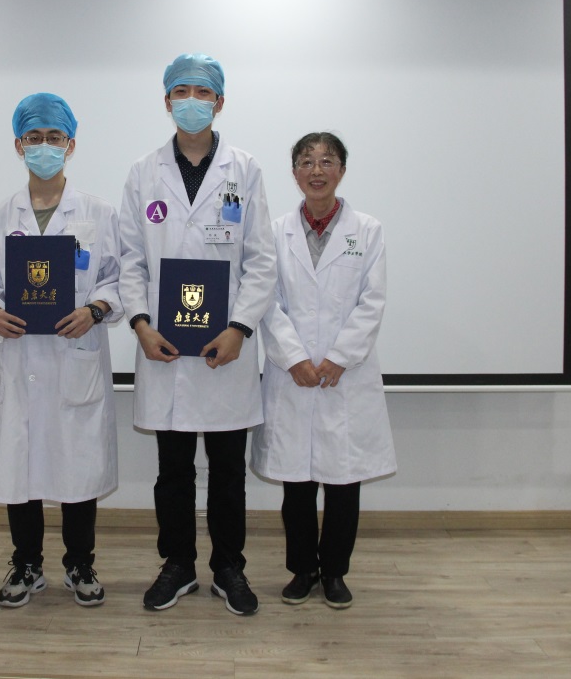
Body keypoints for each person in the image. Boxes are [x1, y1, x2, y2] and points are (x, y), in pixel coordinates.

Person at [119, 53, 276, 616]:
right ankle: (178, 565)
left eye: (202, 92)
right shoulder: (143, 173)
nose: (192, 101)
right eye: (181, 91)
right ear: (166, 101)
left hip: (225, 350)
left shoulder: (245, 169)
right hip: (163, 346)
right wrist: (140, 324)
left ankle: (229, 568)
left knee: (229, 471)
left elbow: (262, 259)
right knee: (173, 471)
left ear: (220, 102)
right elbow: (130, 260)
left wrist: (239, 328)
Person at [0, 93, 121, 608]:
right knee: (22, 466)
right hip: (22, 360)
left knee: (79, 466)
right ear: (18, 145)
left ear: (71, 145)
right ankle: (26, 564)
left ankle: (80, 564)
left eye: (54, 138)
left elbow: (119, 279)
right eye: (33, 138)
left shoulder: (98, 213)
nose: (44, 146)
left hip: (75, 354)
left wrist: (95, 309)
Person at [251, 132, 397, 609]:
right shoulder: (274, 232)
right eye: (307, 162)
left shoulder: (367, 230)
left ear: (342, 170)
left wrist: (339, 357)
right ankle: (302, 570)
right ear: (294, 173)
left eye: (327, 161)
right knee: (297, 483)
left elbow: (372, 301)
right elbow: (265, 299)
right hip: (292, 373)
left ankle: (334, 572)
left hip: (344, 375)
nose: (317, 170)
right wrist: (293, 357)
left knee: (343, 482)